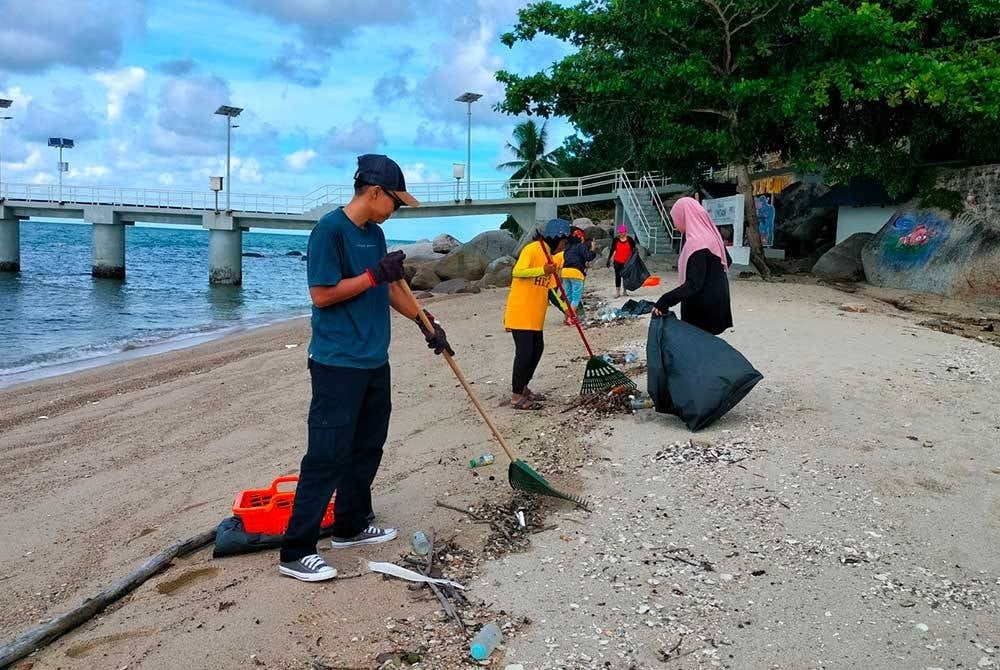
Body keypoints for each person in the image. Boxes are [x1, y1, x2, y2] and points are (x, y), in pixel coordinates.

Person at [279, 154, 454, 582]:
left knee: (368, 444)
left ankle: (350, 525)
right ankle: (296, 550)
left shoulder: (373, 235)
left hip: (375, 359)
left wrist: (425, 324)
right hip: (337, 363)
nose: (395, 210)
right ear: (374, 192)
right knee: (327, 454)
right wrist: (375, 276)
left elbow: (393, 287)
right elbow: (322, 294)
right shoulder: (329, 231)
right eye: (395, 201)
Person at [503, 218, 571, 410]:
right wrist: (542, 269)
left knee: (537, 350)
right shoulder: (533, 249)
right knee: (524, 354)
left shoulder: (550, 256)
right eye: (563, 242)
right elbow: (518, 272)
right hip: (521, 311)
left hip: (535, 315)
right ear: (556, 237)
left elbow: (550, 290)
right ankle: (516, 396)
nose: (563, 246)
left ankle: (523, 387)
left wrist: (567, 310)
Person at [652, 197, 733, 335]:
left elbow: (693, 284)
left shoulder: (697, 244)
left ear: (685, 216)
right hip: (718, 305)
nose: (674, 223)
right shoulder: (712, 237)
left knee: (699, 352)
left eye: (675, 218)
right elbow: (728, 260)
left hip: (702, 312)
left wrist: (665, 300)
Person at [560, 228, 597, 325]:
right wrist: (593, 248)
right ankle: (570, 318)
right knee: (576, 297)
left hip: (565, 272)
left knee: (568, 297)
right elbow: (588, 256)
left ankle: (566, 317)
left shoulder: (567, 248)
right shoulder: (580, 246)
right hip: (576, 273)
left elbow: (570, 259)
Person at [606, 225, 637, 298]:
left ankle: (625, 291)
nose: (621, 234)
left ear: (625, 232)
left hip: (627, 262)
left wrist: (635, 259)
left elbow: (634, 249)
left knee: (626, 277)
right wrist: (608, 259)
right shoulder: (616, 240)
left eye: (622, 232)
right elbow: (612, 250)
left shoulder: (630, 240)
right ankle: (617, 292)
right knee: (617, 276)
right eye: (620, 232)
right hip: (617, 261)